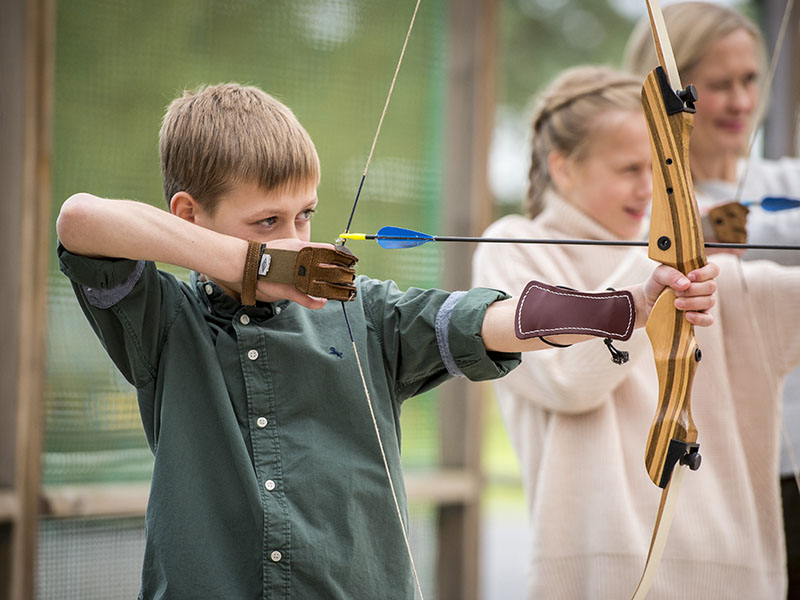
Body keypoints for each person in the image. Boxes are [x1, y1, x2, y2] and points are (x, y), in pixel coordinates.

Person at [54, 83, 717, 599]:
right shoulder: (164, 325)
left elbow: (487, 320)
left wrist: (622, 305)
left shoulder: (365, 314)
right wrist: (252, 265)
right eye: (267, 221)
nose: (295, 237)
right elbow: (82, 220)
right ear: (190, 217)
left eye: (304, 215)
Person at [472, 65, 800, 599]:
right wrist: (653, 267)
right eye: (630, 168)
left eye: (660, 167)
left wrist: (680, 248)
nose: (651, 188)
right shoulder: (516, 247)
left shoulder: (703, 271)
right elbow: (565, 381)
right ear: (563, 168)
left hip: (733, 574)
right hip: (598, 578)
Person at [625, 3, 800, 595]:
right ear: (673, 98)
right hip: (701, 462)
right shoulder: (638, 208)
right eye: (717, 86)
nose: (740, 101)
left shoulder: (787, 186)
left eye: (749, 80)